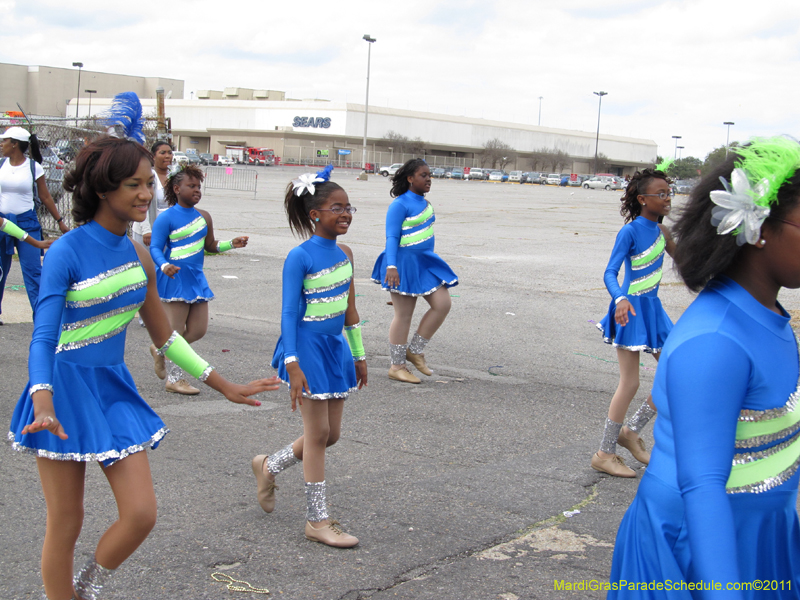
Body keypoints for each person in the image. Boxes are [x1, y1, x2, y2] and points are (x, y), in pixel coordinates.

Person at [7, 136, 279, 600]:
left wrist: (222, 383)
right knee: (67, 521)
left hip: (113, 389)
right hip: (61, 390)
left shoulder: (139, 254)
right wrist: (43, 397)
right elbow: (44, 336)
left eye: (147, 183)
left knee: (141, 513)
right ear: (102, 188)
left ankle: (85, 589)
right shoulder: (67, 251)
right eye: (133, 184)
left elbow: (166, 337)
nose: (145, 193)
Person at [608, 137, 800, 599]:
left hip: (760, 533)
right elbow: (704, 485)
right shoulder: (716, 341)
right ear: (758, 228)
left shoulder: (770, 316)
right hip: (697, 550)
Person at [251, 165, 367, 548]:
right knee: (317, 434)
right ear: (315, 214)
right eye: (337, 207)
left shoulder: (347, 253)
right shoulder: (299, 256)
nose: (345, 213)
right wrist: (292, 363)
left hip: (335, 349)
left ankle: (269, 466)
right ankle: (317, 520)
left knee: (331, 435)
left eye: (349, 207)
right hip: (305, 348)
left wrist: (360, 355)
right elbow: (287, 313)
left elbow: (350, 310)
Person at [592, 164, 675, 477]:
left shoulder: (663, 232)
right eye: (661, 194)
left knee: (673, 371)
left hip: (654, 310)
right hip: (630, 309)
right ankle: (604, 452)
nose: (668, 198)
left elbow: (687, 262)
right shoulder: (630, 231)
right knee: (631, 382)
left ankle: (632, 431)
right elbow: (610, 272)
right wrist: (620, 299)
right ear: (642, 199)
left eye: (670, 193)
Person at [149, 164, 249, 395]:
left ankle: (159, 348)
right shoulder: (167, 218)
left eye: (198, 186)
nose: (197, 190)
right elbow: (155, 246)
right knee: (175, 332)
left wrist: (230, 244)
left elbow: (210, 246)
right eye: (191, 186)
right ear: (176, 188)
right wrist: (164, 265)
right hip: (174, 276)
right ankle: (174, 379)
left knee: (197, 330)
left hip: (195, 278)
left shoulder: (204, 217)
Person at [370, 158, 458, 384]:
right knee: (404, 315)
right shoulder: (400, 204)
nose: (429, 179)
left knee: (442, 304)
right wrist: (391, 266)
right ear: (410, 178)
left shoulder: (426, 204)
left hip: (425, 264)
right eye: (423, 175)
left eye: (430, 175)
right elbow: (392, 237)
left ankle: (416, 350)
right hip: (402, 264)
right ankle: (397, 366)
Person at [0, 126, 69, 323]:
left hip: (26, 222)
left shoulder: (33, 167)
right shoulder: (1, 164)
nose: (1, 144)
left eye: (5, 141)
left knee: (32, 271)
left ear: (15, 144)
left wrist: (60, 221)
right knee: (0, 270)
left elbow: (45, 196)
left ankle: (41, 316)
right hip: (3, 221)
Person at [131, 141, 172, 246]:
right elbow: (141, 203)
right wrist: (146, 230)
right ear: (153, 156)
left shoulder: (174, 176)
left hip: (168, 232)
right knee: (147, 262)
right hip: (148, 232)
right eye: (162, 153)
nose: (167, 156)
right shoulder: (149, 176)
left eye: (170, 153)